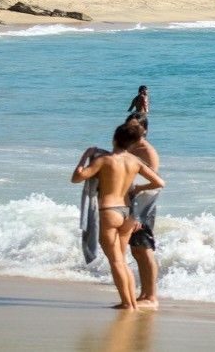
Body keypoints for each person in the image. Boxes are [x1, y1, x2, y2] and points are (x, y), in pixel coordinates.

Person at [71, 123, 165, 310]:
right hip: (127, 213)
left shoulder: (104, 160)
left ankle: (127, 304)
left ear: (114, 138)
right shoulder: (134, 161)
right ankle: (131, 303)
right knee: (122, 261)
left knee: (116, 261)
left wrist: (86, 156)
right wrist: (139, 187)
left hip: (109, 212)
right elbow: (159, 182)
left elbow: (77, 177)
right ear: (131, 143)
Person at [125, 117, 160, 310]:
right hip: (130, 204)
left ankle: (152, 296)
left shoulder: (148, 152)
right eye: (128, 126)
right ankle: (143, 294)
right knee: (136, 250)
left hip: (144, 205)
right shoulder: (130, 147)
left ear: (144, 130)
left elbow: (155, 183)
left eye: (134, 127)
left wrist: (138, 213)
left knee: (145, 249)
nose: (130, 129)